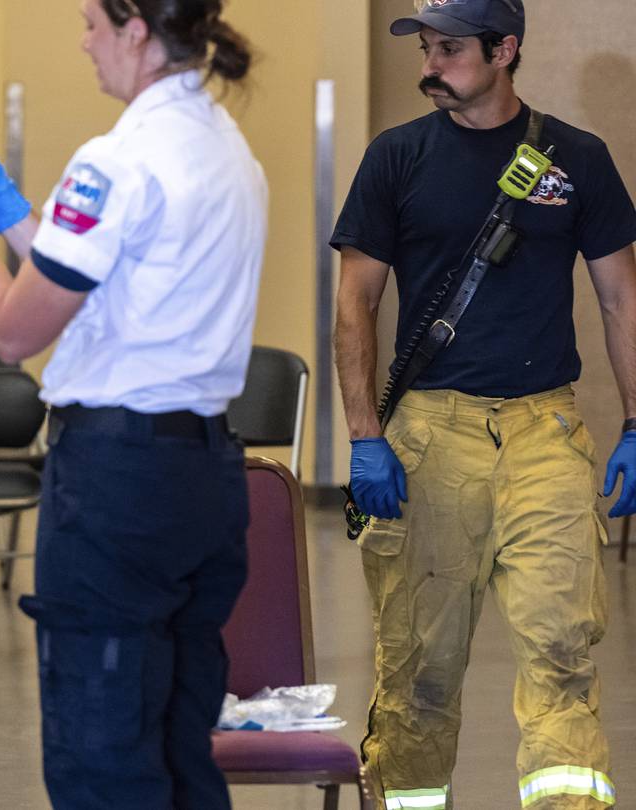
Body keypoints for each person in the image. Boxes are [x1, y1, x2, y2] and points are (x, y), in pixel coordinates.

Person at [0, 1, 266, 806]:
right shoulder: (227, 150)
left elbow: (10, 328)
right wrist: (12, 214)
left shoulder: (118, 161)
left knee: (102, 755)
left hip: (120, 484)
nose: (83, 41)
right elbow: (106, 284)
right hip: (204, 473)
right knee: (181, 748)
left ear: (136, 27)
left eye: (91, 23)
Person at [331, 2, 635, 807]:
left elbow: (620, 301)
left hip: (545, 428)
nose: (430, 64)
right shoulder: (395, 157)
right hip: (430, 431)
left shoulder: (577, 158)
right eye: (427, 47)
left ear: (506, 50)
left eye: (450, 49)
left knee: (563, 653)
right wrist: (366, 435)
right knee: (419, 673)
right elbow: (354, 303)